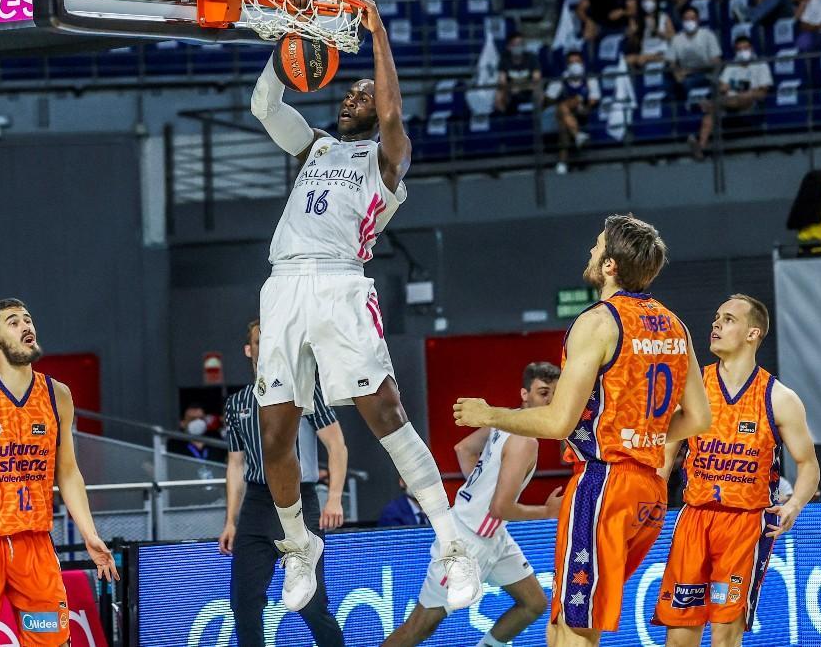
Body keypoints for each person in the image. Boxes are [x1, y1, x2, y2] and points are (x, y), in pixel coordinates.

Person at [249, 0, 482, 615]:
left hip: (341, 284)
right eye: (348, 92)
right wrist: (284, 54)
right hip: (283, 289)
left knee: (383, 411)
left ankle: (452, 545)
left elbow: (391, 109)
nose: (355, 97)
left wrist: (376, 39)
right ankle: (299, 546)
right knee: (273, 430)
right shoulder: (313, 149)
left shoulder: (387, 160)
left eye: (363, 93)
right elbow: (264, 107)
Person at [454, 214, 713, 646]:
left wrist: (489, 414)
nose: (591, 253)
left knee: (576, 629)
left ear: (611, 265)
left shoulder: (597, 322)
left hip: (603, 484)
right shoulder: (675, 325)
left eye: (597, 247)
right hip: (648, 492)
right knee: (562, 621)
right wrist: (643, 435)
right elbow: (699, 419)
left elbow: (558, 422)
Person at [0, 298, 118, 646]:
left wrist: (89, 533)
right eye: (13, 322)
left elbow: (69, 472)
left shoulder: (58, 395)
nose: (26, 326)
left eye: (28, 319)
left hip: (34, 543)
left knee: (55, 642)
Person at [653, 294, 821, 646]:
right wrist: (652, 497)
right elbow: (667, 449)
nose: (715, 324)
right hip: (694, 519)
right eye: (716, 317)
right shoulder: (693, 384)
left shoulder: (779, 397)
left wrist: (793, 506)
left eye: (728, 319)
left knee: (725, 633)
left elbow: (808, 466)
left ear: (752, 333)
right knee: (680, 632)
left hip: (745, 524)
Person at [383, 361, 564, 647]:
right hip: (467, 539)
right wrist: (548, 512)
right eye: (544, 393)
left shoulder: (505, 419)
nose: (551, 401)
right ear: (524, 394)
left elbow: (463, 449)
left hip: (492, 535)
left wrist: (477, 491)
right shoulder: (526, 441)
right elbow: (500, 509)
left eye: (555, 394)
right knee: (419, 627)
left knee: (533, 604)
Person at [218, 319, 347, 647]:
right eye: (260, 341)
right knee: (244, 603)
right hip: (257, 503)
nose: (267, 347)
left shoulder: (304, 388)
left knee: (312, 605)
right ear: (249, 350)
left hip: (300, 500)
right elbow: (235, 464)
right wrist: (230, 520)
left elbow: (336, 445)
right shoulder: (237, 404)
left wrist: (334, 498)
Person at [689, 35, 772, 159]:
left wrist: (735, 87)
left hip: (750, 103)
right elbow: (722, 87)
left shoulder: (761, 65)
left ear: (752, 49)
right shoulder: (731, 66)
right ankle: (700, 147)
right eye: (740, 49)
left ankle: (712, 104)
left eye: (746, 48)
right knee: (709, 116)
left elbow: (763, 91)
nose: (743, 52)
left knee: (741, 97)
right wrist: (731, 87)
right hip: (728, 103)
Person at [546, 51, 602, 175]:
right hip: (564, 112)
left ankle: (562, 162)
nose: (574, 65)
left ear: (582, 63)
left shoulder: (589, 77)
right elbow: (549, 97)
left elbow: (594, 99)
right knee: (563, 111)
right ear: (567, 65)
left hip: (582, 111)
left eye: (577, 61)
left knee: (565, 116)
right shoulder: (563, 77)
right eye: (571, 62)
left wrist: (584, 106)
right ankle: (577, 136)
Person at [667, 5, 722, 100]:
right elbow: (671, 62)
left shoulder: (708, 35)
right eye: (686, 19)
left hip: (706, 74)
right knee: (673, 85)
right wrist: (677, 75)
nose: (689, 22)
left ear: (698, 20)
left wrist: (694, 70)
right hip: (686, 76)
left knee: (690, 83)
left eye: (692, 18)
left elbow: (716, 61)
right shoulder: (676, 39)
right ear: (682, 21)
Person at [625, 0, 675, 67]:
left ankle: (649, 59)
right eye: (645, 0)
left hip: (661, 52)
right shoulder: (637, 19)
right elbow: (633, 44)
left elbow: (672, 36)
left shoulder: (663, 16)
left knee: (643, 59)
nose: (648, 3)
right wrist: (632, 34)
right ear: (641, 3)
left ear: (655, 1)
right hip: (645, 52)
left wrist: (659, 32)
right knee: (626, 60)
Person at [495, 32, 542, 115]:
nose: (518, 46)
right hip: (511, 90)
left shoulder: (531, 57)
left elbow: (536, 78)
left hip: (528, 88)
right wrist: (509, 88)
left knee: (539, 90)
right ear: (509, 47)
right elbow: (502, 81)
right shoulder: (504, 59)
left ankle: (538, 117)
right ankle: (505, 118)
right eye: (515, 44)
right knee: (499, 93)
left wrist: (522, 87)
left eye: (520, 44)